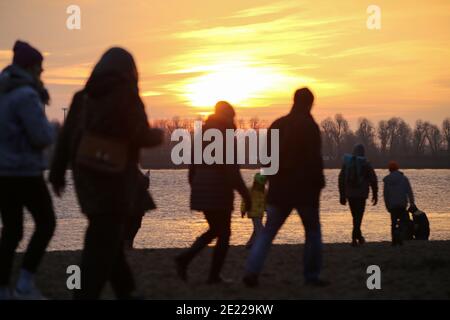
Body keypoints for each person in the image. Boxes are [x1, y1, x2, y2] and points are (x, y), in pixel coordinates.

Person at [49, 47, 163, 299]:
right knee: (100, 242)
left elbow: (66, 137)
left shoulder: (83, 97)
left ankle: (127, 291)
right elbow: (141, 135)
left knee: (106, 234)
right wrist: (159, 135)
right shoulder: (127, 97)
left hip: (85, 178)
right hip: (115, 180)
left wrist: (57, 173)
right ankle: (86, 294)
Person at [243, 88, 328, 287]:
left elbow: (266, 159)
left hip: (279, 189)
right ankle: (311, 276)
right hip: (305, 190)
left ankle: (251, 271)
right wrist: (319, 183)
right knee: (313, 231)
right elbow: (314, 159)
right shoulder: (310, 126)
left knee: (267, 232)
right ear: (310, 103)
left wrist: (271, 180)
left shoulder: (278, 125)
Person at [0, 40, 57, 300]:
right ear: (31, 67)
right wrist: (55, 131)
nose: (42, 72)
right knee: (46, 223)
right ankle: (24, 284)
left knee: (12, 230)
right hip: (25, 172)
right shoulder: (26, 95)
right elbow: (40, 136)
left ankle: (3, 288)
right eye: (40, 67)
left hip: (4, 173)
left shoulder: (4, 91)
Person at [175, 101, 252, 284]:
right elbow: (231, 170)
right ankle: (212, 275)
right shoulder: (225, 136)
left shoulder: (202, 135)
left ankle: (185, 259)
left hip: (202, 189)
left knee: (216, 230)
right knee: (224, 233)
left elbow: (192, 167)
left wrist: (195, 187)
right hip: (219, 191)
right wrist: (246, 195)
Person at [338, 144, 378, 246]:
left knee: (355, 216)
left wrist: (342, 195)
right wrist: (375, 194)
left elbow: (341, 179)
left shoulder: (347, 163)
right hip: (361, 194)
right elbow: (373, 180)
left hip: (350, 194)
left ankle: (358, 238)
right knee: (358, 216)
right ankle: (355, 238)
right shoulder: (366, 164)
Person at [383, 161, 415, 246]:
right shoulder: (404, 178)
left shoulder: (387, 180)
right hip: (402, 203)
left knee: (393, 223)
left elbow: (385, 194)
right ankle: (400, 239)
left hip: (392, 205)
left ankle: (394, 240)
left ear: (389, 169)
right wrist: (412, 202)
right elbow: (409, 191)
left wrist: (387, 205)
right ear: (397, 168)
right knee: (402, 222)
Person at [123, 169, 154, 250]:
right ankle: (128, 245)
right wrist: (147, 178)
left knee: (131, 225)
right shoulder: (132, 170)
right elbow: (144, 185)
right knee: (133, 225)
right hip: (134, 206)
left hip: (132, 206)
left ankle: (127, 245)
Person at [241, 173, 267, 249]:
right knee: (260, 229)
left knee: (256, 229)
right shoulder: (250, 190)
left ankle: (250, 243)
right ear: (255, 182)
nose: (260, 186)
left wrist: (266, 209)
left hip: (260, 213)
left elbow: (265, 201)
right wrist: (243, 210)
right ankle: (260, 244)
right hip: (253, 212)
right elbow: (244, 201)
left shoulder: (264, 191)